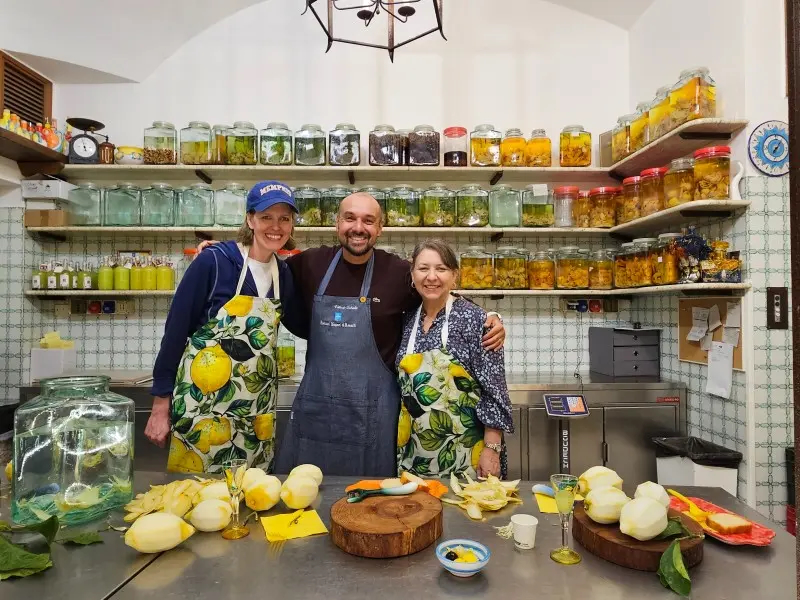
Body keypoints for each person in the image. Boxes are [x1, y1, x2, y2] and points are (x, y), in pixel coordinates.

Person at [199, 192, 505, 477]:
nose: (358, 228)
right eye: (350, 218)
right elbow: (260, 263)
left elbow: (437, 289)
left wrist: (488, 317)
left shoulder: (399, 272)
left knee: (372, 507)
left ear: (380, 228)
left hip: (374, 414)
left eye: (368, 220)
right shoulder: (309, 264)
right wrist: (225, 255)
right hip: (319, 409)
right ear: (337, 223)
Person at [145, 181, 300, 474]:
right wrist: (160, 406)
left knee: (252, 499)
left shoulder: (284, 274)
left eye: (284, 218)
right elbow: (175, 333)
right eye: (266, 216)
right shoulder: (214, 262)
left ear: (292, 225)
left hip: (255, 413)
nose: (275, 226)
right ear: (250, 219)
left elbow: (301, 323)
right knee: (197, 501)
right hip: (203, 408)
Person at [397, 240, 513, 479]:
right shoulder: (407, 320)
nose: (432, 277)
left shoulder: (476, 320)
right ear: (412, 274)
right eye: (423, 268)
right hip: (414, 456)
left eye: (441, 269)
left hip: (468, 454)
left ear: (454, 276)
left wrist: (492, 450)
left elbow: (495, 390)